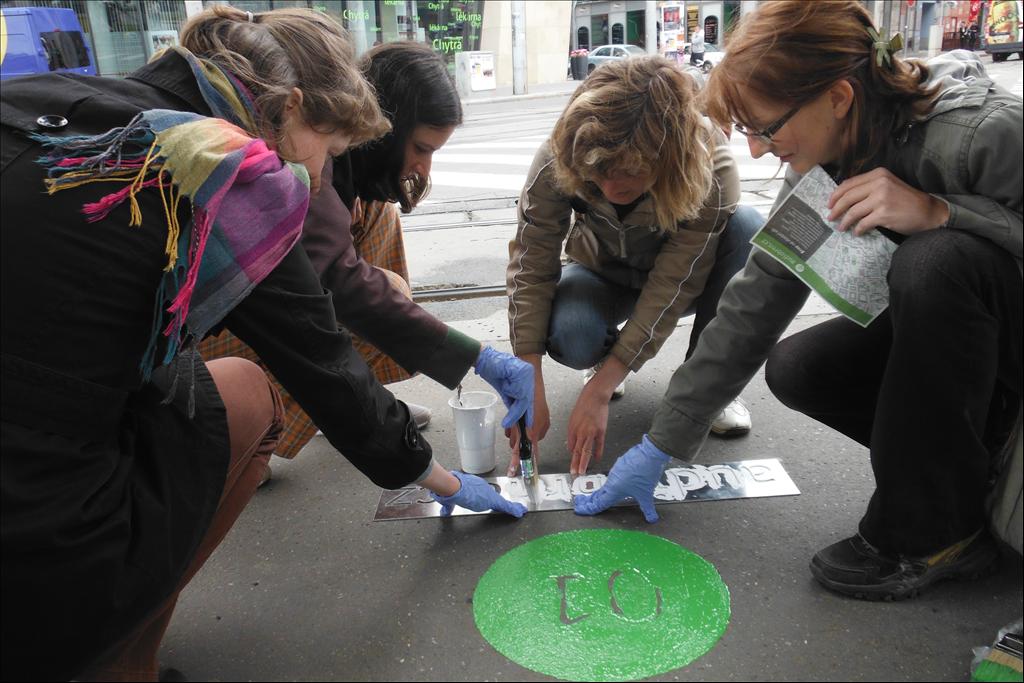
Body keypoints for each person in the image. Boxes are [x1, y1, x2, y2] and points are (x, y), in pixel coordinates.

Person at [0, 7, 532, 681]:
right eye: (328, 153)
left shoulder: (46, 96)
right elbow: (325, 366)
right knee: (248, 394)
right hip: (35, 560)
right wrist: (441, 478)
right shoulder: (232, 173)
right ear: (295, 107)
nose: (318, 178)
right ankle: (118, 661)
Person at [573, 0, 1022, 602]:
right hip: (973, 347)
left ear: (838, 98)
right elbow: (757, 298)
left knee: (935, 261)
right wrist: (662, 443)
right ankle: (971, 471)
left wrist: (942, 214)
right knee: (800, 367)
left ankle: (929, 535)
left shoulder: (984, 133)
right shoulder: (820, 161)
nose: (757, 150)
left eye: (765, 127)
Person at [198, 41, 464, 483]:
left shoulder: (334, 156)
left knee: (380, 221)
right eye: (420, 148)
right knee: (382, 299)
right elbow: (333, 294)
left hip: (267, 308)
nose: (423, 167)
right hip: (216, 334)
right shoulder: (297, 160)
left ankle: (357, 403)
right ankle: (246, 435)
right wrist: (431, 471)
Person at [507, 55, 765, 476]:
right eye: (598, 174)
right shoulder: (563, 151)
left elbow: (674, 283)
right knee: (574, 334)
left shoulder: (707, 162)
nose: (611, 187)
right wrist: (527, 380)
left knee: (748, 228)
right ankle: (606, 360)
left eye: (629, 172)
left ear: (669, 155)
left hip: (682, 281)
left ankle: (707, 387)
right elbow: (531, 263)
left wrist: (600, 392)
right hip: (599, 273)